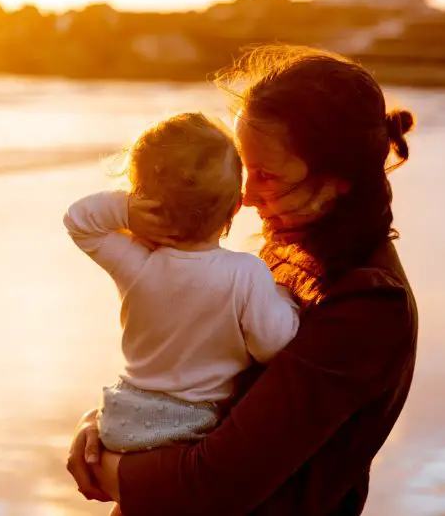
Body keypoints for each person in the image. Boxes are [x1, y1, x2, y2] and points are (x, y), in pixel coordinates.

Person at [67, 45, 419, 515]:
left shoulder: (369, 304)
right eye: (244, 169)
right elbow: (212, 384)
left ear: (340, 179)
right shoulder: (291, 252)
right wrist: (107, 424)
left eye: (267, 176)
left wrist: (110, 468)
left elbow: (212, 486)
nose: (246, 196)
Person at [63, 113, 300, 461]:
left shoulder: (137, 263)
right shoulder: (248, 274)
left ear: (144, 198)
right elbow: (273, 344)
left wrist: (126, 212)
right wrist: (284, 298)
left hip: (122, 417)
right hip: (189, 425)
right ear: (236, 206)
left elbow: (79, 221)